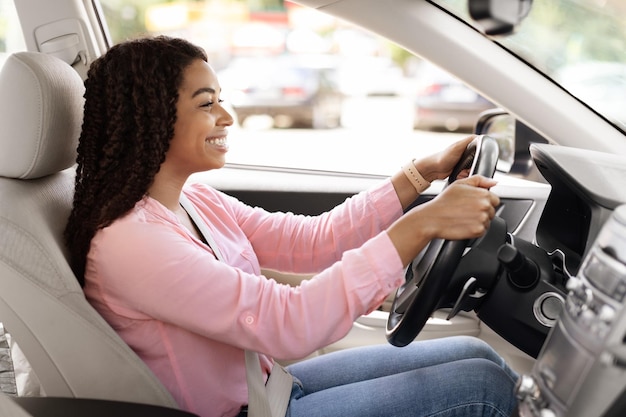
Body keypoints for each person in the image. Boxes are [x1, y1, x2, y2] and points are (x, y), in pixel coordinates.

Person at [64, 35, 519, 417]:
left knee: (478, 355)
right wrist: (418, 227)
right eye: (207, 104)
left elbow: (312, 241)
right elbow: (288, 322)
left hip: (268, 391)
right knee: (482, 387)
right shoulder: (132, 242)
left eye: (221, 100)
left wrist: (419, 175)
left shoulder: (192, 200)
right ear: (152, 116)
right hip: (245, 412)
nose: (227, 116)